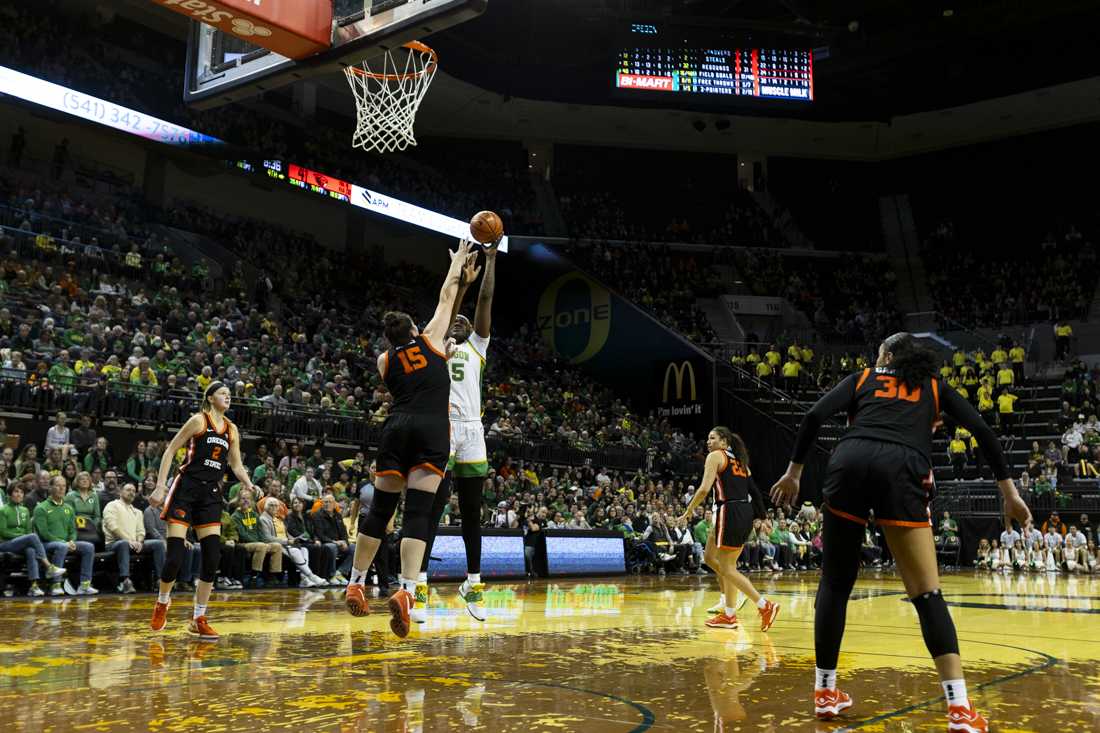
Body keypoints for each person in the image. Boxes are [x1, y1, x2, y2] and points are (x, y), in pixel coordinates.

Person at [771, 332, 1029, 731]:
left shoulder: (862, 379)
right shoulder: (933, 386)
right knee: (927, 593)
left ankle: (825, 691)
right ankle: (959, 708)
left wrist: (793, 473)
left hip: (850, 460)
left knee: (835, 585)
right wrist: (1009, 494)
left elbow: (813, 417)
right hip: (902, 465)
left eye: (879, 353)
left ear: (888, 355)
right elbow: (981, 429)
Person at [344, 239, 477, 638]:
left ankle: (355, 580)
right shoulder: (432, 340)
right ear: (416, 330)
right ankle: (405, 591)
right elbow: (446, 297)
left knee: (380, 510)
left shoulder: (384, 361)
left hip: (396, 427)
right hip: (432, 429)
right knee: (418, 513)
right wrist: (457, 269)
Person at [419, 234, 499, 623]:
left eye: (467, 323)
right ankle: (416, 580)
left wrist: (491, 257)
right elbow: (449, 308)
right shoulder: (435, 343)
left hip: (472, 430)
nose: (463, 323)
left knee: (471, 511)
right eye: (458, 320)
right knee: (433, 507)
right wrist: (460, 285)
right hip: (441, 427)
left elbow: (484, 303)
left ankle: (473, 580)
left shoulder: (478, 347)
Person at [148, 382, 254, 641]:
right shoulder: (198, 421)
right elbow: (171, 450)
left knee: (211, 559)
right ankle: (163, 601)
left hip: (210, 495)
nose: (228, 396)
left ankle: (199, 618)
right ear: (209, 397)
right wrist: (161, 486)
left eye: (230, 394)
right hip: (186, 489)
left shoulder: (232, 429)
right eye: (222, 393)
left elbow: (236, 465)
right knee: (174, 557)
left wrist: (250, 484)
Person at [678, 426, 778, 632]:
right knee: (714, 560)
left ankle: (765, 606)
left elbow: (705, 488)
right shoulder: (741, 462)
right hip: (744, 512)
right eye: (707, 438)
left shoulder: (716, 456)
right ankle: (730, 614)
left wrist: (689, 510)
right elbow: (755, 492)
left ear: (724, 442)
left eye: (712, 438)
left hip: (729, 512)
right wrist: (763, 517)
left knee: (727, 569)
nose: (708, 442)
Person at [0, 483, 67, 596]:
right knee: (32, 537)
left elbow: (27, 531)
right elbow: (3, 532)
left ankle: (34, 586)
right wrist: (21, 536)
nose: (19, 494)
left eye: (21, 492)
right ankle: (49, 567)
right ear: (10, 495)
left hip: (21, 543)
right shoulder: (3, 510)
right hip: (5, 543)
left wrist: (23, 537)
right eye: (16, 492)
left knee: (31, 550)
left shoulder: (25, 510)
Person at [35, 475, 98, 595]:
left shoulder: (68, 508)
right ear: (50, 488)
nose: (61, 488)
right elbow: (44, 534)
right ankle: (55, 585)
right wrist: (65, 543)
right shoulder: (41, 508)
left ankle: (84, 585)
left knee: (89, 547)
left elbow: (73, 530)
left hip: (66, 543)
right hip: (47, 544)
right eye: (58, 485)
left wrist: (72, 541)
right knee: (61, 546)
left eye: (63, 486)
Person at [103, 482, 166, 593]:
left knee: (158, 543)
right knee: (124, 544)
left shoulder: (138, 512)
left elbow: (141, 531)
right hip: (114, 543)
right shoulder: (112, 505)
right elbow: (113, 527)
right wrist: (129, 540)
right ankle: (125, 581)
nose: (131, 492)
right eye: (128, 490)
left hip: (134, 543)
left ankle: (160, 580)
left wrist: (139, 541)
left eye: (133, 491)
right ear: (120, 491)